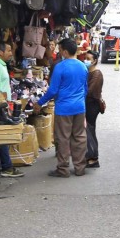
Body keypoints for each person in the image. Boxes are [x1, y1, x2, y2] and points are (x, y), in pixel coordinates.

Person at [34, 38, 88, 177]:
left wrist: (39, 103)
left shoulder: (60, 67)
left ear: (64, 51)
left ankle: (63, 169)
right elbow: (85, 89)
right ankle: (80, 167)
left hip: (64, 108)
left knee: (63, 138)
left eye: (59, 49)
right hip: (79, 107)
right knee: (80, 137)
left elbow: (53, 90)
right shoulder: (82, 66)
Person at [0, 42, 25, 177]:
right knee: (2, 137)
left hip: (1, 106)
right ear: (0, 52)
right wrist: (3, 107)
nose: (11, 53)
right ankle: (6, 167)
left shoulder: (0, 65)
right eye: (8, 50)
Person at [85, 50, 104, 168]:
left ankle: (93, 158)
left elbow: (89, 91)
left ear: (94, 61)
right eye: (85, 58)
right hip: (87, 103)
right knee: (88, 129)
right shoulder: (87, 72)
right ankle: (90, 156)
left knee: (89, 129)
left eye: (88, 59)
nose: (86, 61)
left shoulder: (97, 74)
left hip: (92, 104)